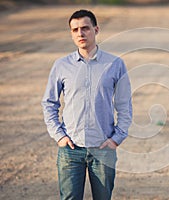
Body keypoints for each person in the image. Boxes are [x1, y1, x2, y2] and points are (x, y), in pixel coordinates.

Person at [41, 9, 132, 199]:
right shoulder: (61, 65)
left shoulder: (115, 64)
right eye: (75, 30)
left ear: (96, 29)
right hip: (70, 149)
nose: (80, 34)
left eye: (85, 28)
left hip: (103, 148)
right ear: (71, 33)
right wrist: (59, 136)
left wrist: (117, 138)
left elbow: (124, 105)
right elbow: (49, 103)